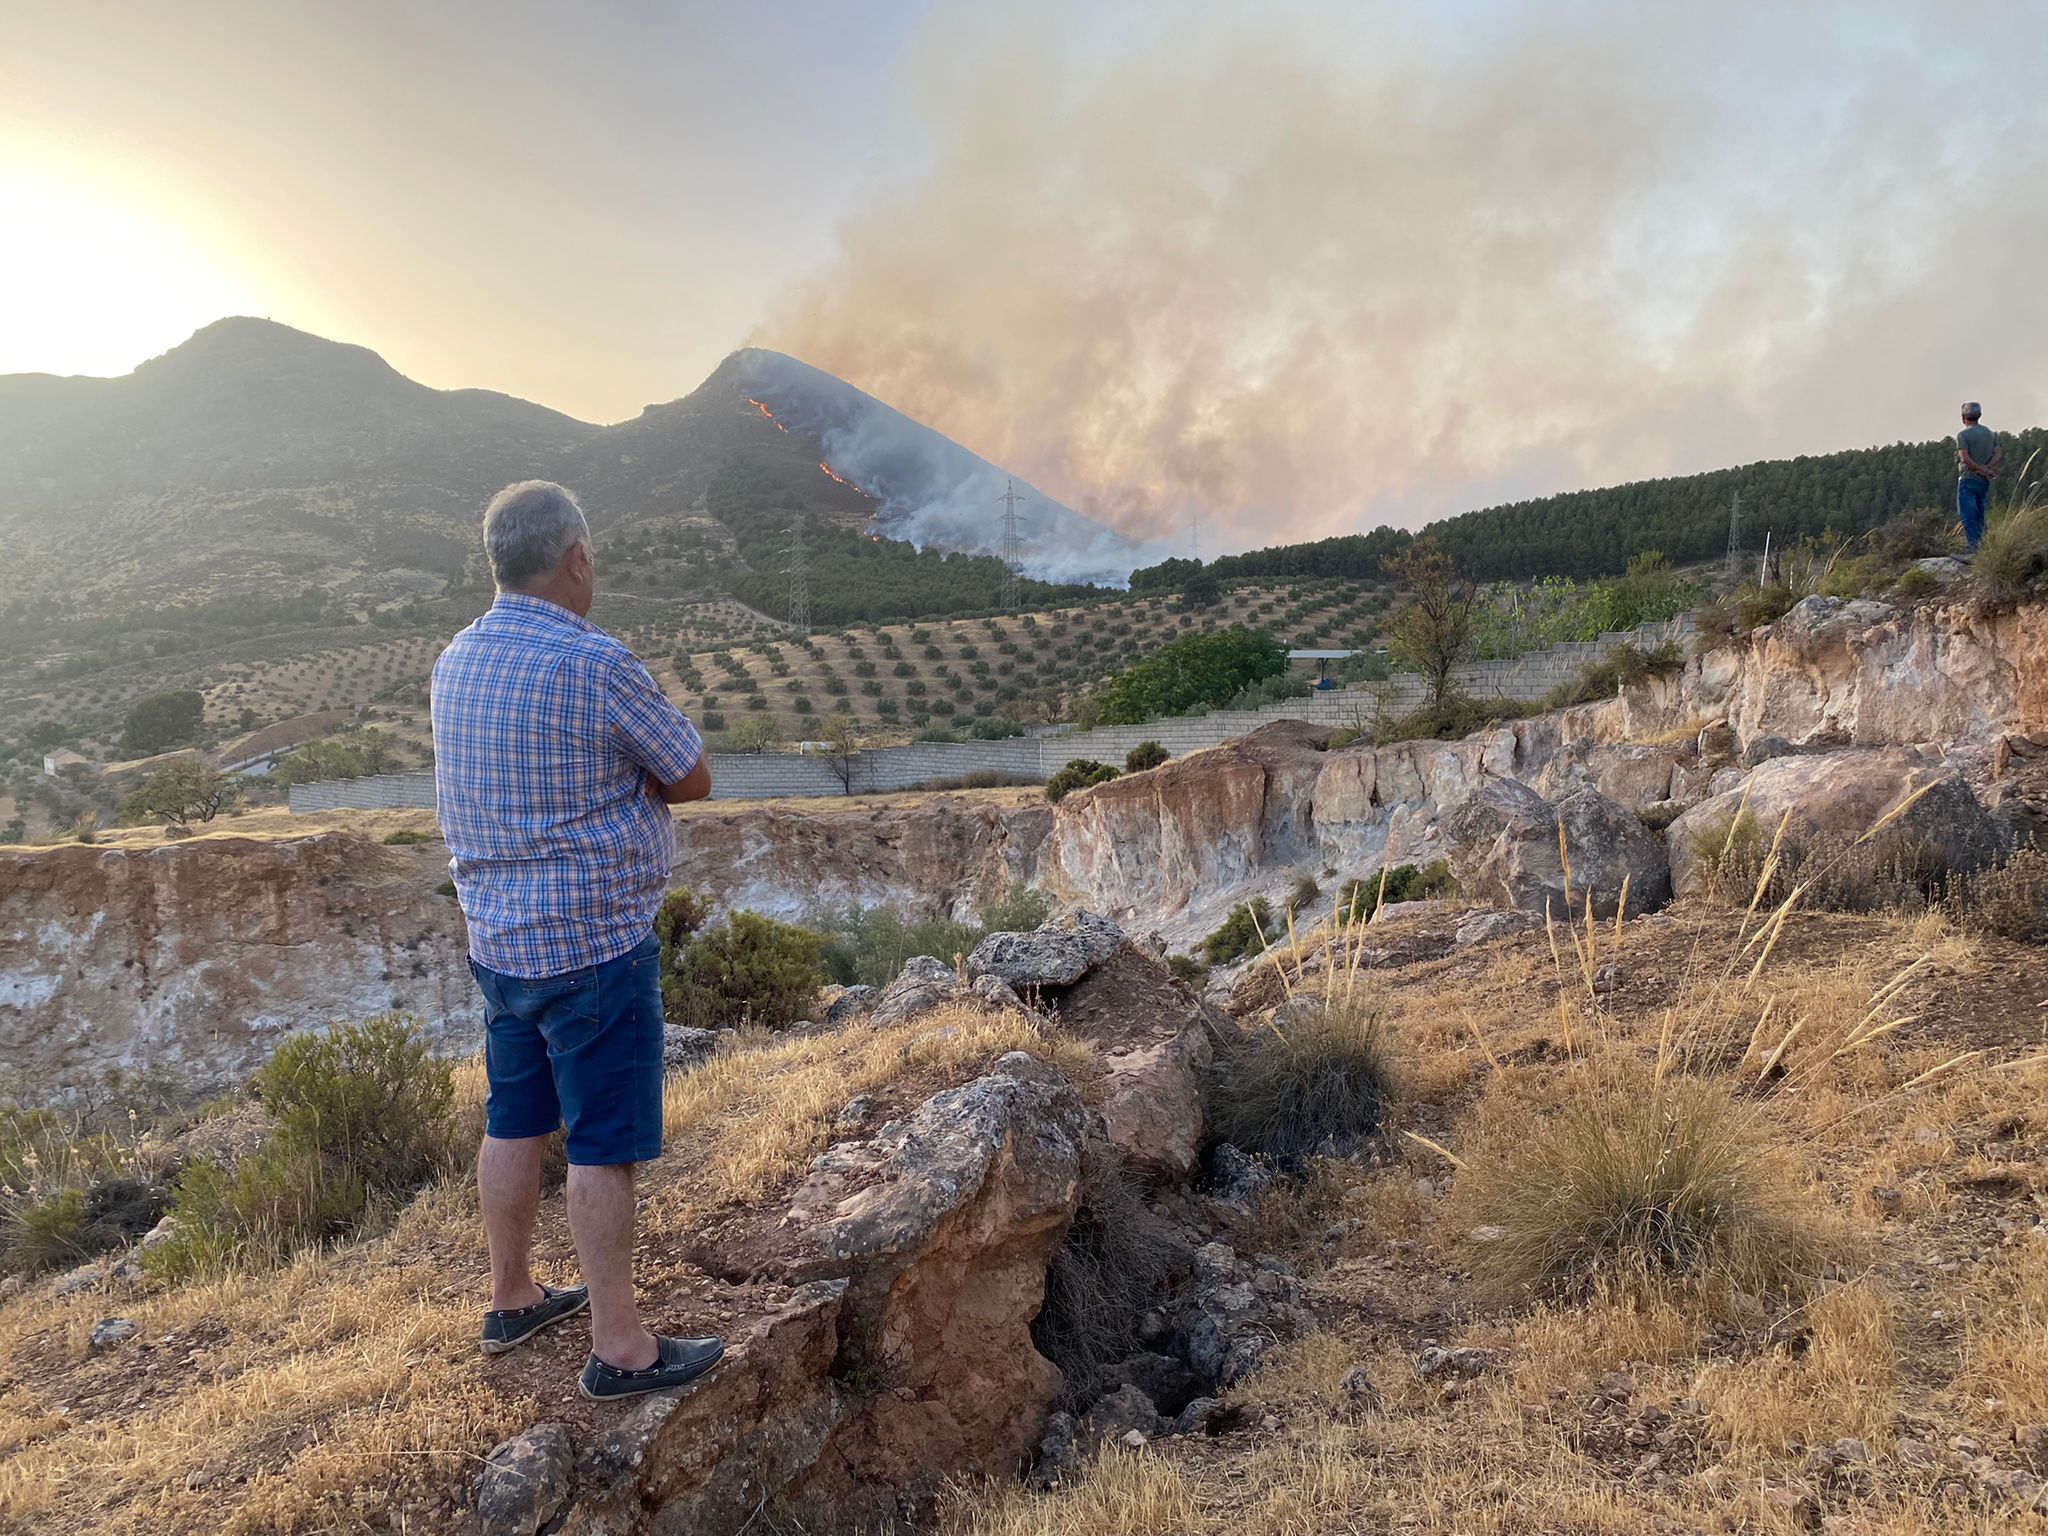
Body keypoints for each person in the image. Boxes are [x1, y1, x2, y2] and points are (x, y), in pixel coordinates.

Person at [431, 480, 723, 1402]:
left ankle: (511, 1297)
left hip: (499, 946)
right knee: (603, 1144)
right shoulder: (595, 663)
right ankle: (621, 1347)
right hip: (594, 949)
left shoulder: (454, 660)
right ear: (577, 560)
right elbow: (691, 776)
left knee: (513, 1118)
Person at [1956, 401, 2001, 556]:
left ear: (1963, 418)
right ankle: (1984, 545)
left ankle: (1974, 548)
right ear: (1979, 415)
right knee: (1980, 511)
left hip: (1968, 478)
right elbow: (1998, 454)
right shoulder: (1989, 433)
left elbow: (1964, 458)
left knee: (1968, 513)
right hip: (1983, 481)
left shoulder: (1963, 435)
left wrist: (1980, 469)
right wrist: (1987, 468)